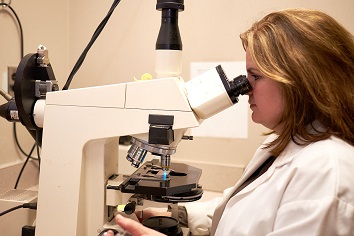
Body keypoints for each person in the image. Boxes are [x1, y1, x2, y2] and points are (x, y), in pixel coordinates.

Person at [105, 8, 354, 236]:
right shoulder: (284, 144)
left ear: (299, 79)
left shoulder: (327, 173)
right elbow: (242, 209)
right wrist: (178, 215)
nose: (245, 89)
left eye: (254, 76)